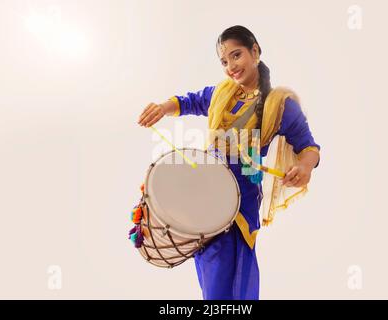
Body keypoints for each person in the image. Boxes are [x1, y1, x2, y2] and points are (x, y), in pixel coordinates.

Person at [137, 25, 321, 300]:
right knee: (210, 281)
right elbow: (189, 102)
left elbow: (308, 146)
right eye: (224, 61)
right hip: (204, 202)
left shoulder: (279, 104)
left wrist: (305, 167)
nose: (231, 66)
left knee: (232, 285)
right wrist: (163, 108)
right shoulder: (221, 94)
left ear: (255, 51)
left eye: (237, 56)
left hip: (239, 206)